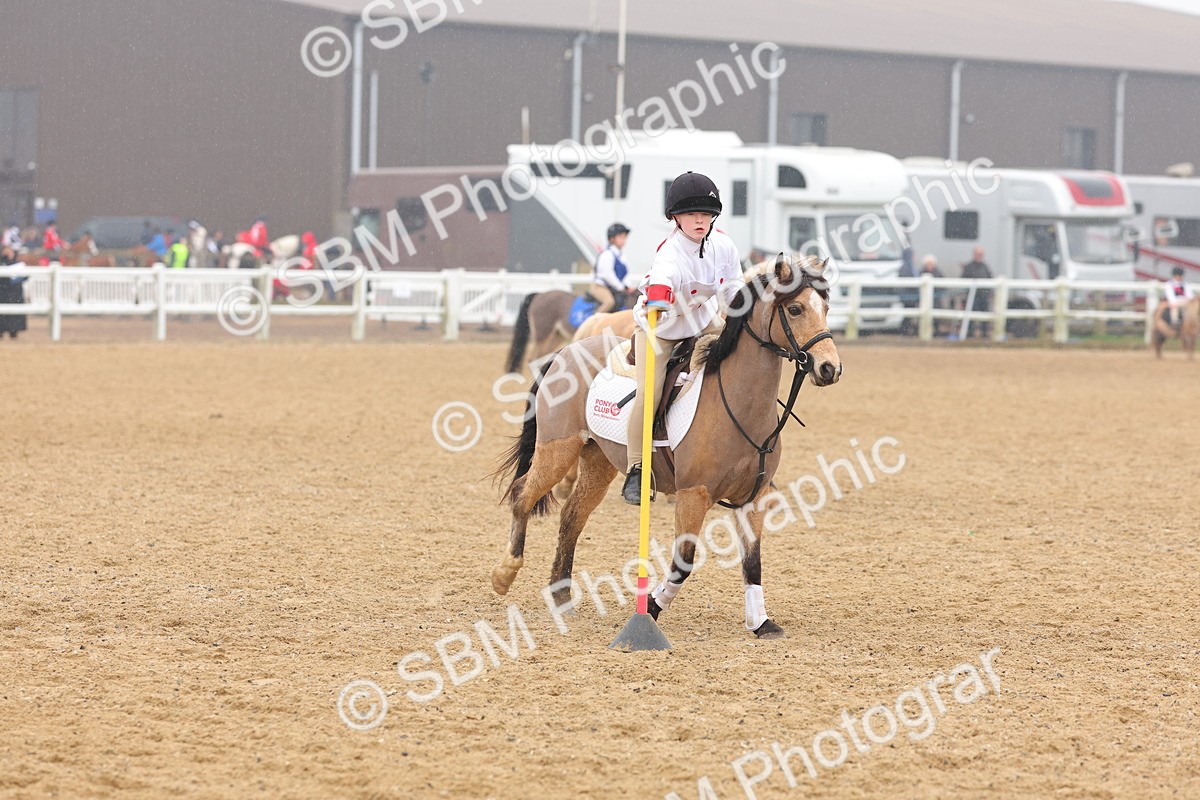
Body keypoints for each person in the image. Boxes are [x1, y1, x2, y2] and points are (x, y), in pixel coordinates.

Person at [623, 171, 745, 505]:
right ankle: (636, 468)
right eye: (691, 213)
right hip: (659, 329)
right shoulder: (670, 253)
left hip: (701, 322)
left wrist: (744, 319)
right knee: (649, 395)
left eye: (705, 213)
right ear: (675, 218)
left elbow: (733, 290)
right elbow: (662, 281)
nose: (699, 220)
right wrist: (659, 302)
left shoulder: (724, 246)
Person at [590, 223, 636, 313]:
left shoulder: (622, 256)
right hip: (600, 286)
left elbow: (625, 275)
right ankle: (594, 322)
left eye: (624, 237)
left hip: (613, 287)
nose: (624, 240)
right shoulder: (607, 254)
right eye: (620, 237)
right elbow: (607, 275)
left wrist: (629, 287)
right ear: (612, 238)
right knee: (609, 302)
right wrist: (620, 287)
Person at [961, 246, 993, 338]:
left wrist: (989, 292)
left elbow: (990, 278)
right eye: (977, 254)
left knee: (985, 315)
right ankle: (970, 334)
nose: (979, 256)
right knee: (970, 315)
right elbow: (963, 279)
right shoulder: (969, 266)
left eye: (980, 254)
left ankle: (984, 334)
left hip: (983, 296)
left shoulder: (985, 267)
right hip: (972, 296)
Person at [0, 245, 27, 339]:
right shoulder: (2, 262)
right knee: (2, 315)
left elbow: (25, 276)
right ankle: (1, 331)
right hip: (3, 293)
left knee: (15, 315)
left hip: (16, 293)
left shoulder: (18, 263)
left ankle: (14, 331)